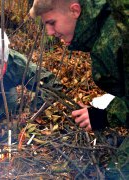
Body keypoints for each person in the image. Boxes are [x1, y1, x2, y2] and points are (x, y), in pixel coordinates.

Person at [29, 0, 129, 178]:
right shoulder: (103, 28)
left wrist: (107, 115)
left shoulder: (116, 36)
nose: (50, 33)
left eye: (52, 23)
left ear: (75, 10)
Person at [0, 27, 61, 125]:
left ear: (6, 62)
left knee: (5, 113)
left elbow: (54, 86)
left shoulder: (17, 63)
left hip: (6, 90)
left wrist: (29, 112)